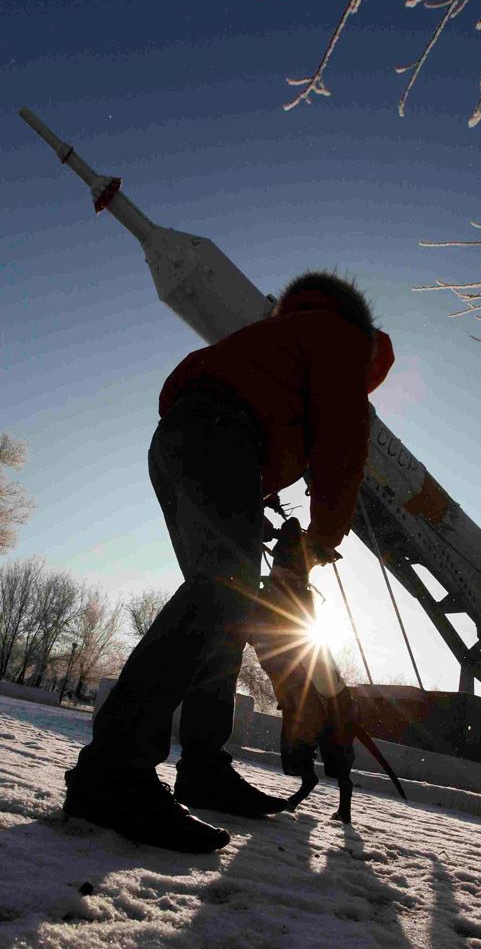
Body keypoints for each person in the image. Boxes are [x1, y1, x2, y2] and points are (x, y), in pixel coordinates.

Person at [63, 271, 394, 853]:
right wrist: (320, 541)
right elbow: (344, 447)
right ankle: (113, 770)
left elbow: (243, 408)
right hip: (220, 437)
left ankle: (203, 769)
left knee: (223, 607)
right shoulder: (341, 341)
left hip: (180, 441)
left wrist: (258, 499)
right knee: (223, 593)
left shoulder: (278, 344)